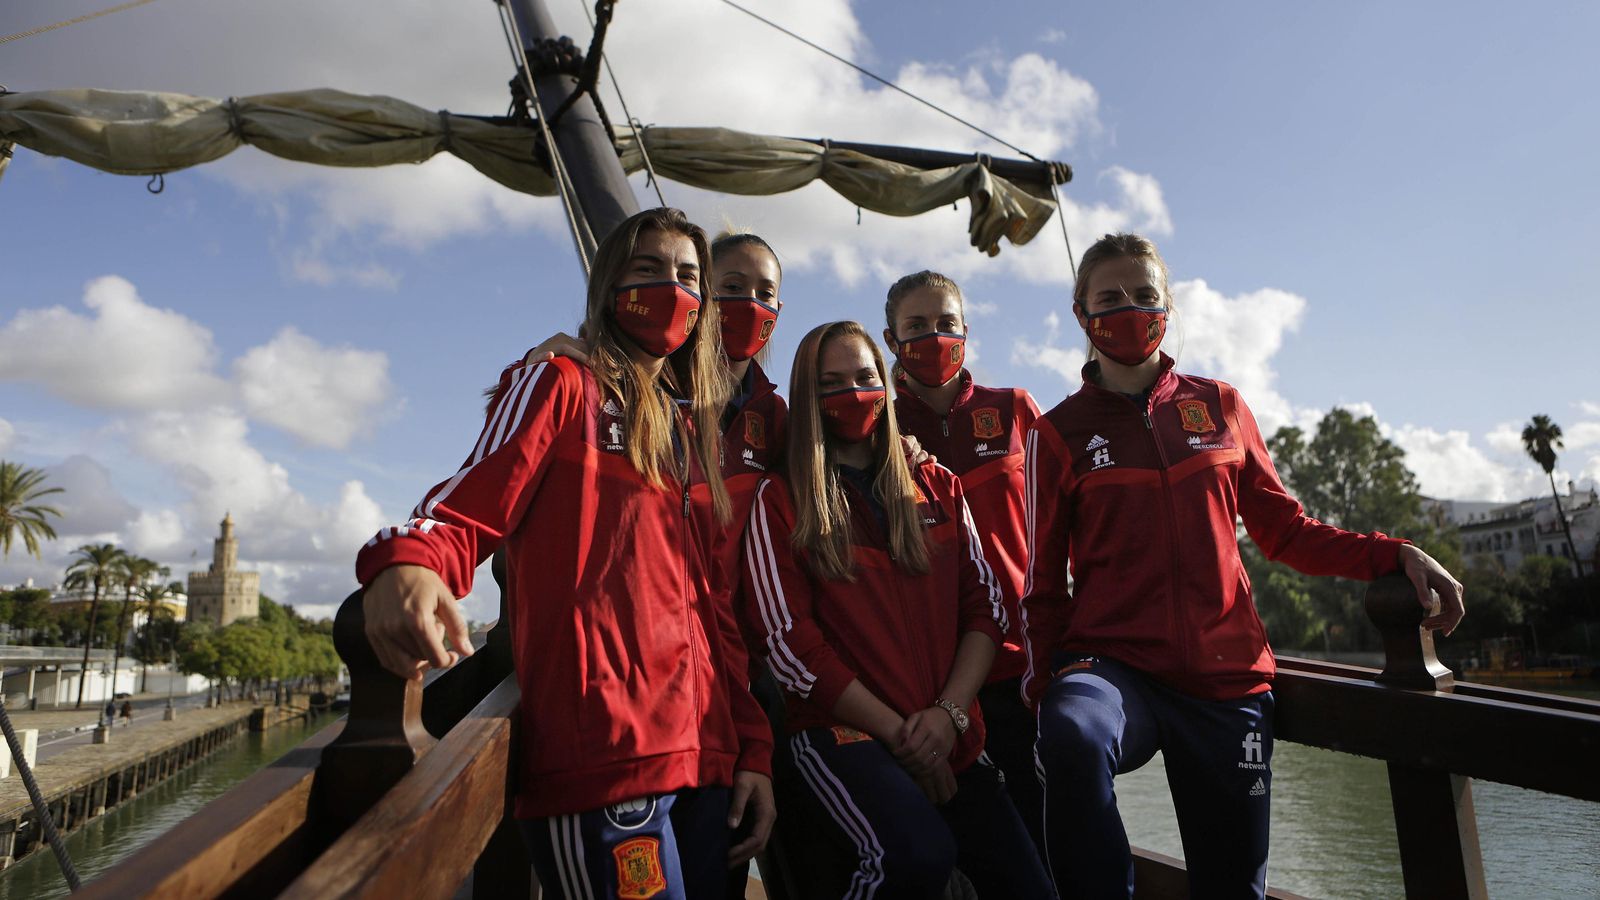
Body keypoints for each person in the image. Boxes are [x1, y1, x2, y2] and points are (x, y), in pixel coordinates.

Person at [1020, 233, 1466, 899]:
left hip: (1224, 676)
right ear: (1081, 313)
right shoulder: (1056, 433)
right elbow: (1043, 586)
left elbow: (1287, 532)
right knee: (1072, 738)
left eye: (1144, 294)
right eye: (1108, 298)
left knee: (1233, 888)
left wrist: (1392, 552)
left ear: (1168, 305)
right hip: (1114, 667)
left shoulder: (1220, 405)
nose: (1129, 308)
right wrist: (1040, 689)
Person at [357, 207, 775, 900]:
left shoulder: (688, 436)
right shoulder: (559, 382)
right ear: (610, 286)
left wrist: (751, 747)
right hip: (605, 755)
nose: (672, 288)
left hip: (706, 755)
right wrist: (410, 560)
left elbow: (712, 610)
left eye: (688, 276)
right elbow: (467, 501)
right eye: (648, 269)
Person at [741, 320, 1055, 899]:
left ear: (886, 387)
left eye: (865, 378)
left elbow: (985, 609)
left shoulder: (938, 485)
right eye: (831, 384)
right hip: (840, 736)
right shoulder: (781, 499)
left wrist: (948, 716)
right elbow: (790, 645)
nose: (853, 394)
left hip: (950, 732)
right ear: (808, 398)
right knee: (913, 857)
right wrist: (903, 736)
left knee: (1029, 885)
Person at [881, 269, 1046, 848]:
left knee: (1050, 834)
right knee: (964, 852)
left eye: (946, 322)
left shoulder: (1015, 410)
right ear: (891, 339)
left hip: (1025, 666)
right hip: (932, 681)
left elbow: (1068, 524)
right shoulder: (877, 430)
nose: (934, 336)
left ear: (967, 331)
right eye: (917, 326)